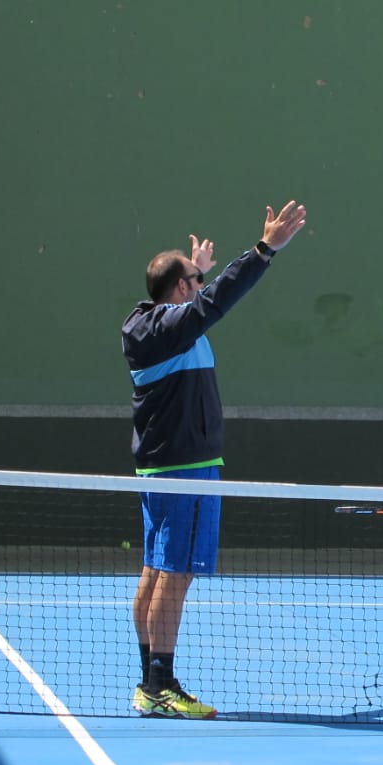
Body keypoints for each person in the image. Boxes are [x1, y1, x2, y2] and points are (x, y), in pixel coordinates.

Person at [122, 201, 308, 719]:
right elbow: (217, 301)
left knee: (156, 569)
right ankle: (161, 685)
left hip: (161, 466)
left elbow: (199, 302)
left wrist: (197, 270)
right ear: (180, 289)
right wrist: (264, 250)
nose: (201, 285)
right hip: (184, 468)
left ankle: (148, 682)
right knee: (175, 573)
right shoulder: (168, 329)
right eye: (194, 280)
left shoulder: (147, 325)